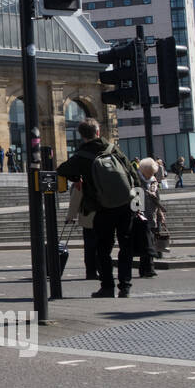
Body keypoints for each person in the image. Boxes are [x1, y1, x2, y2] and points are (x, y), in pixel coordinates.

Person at [56, 117, 143, 298]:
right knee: (125, 245)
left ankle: (107, 287)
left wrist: (77, 178)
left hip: (101, 207)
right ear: (98, 132)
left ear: (82, 135)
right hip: (125, 205)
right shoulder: (113, 149)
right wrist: (138, 207)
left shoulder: (81, 156)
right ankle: (125, 286)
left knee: (103, 248)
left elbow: (62, 170)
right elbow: (133, 176)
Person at [64, 180, 98, 286]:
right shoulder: (104, 176)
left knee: (90, 246)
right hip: (104, 216)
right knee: (102, 246)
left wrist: (70, 216)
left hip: (88, 218)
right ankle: (102, 269)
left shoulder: (83, 180)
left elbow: (76, 199)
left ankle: (91, 271)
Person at [135, 158, 161, 278]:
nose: (152, 175)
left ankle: (147, 268)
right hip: (141, 216)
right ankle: (148, 268)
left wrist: (160, 213)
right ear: (144, 170)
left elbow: (157, 198)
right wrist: (138, 214)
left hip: (152, 214)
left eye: (153, 173)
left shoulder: (153, 180)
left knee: (150, 241)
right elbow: (135, 201)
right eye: (150, 172)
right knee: (146, 242)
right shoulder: (137, 180)